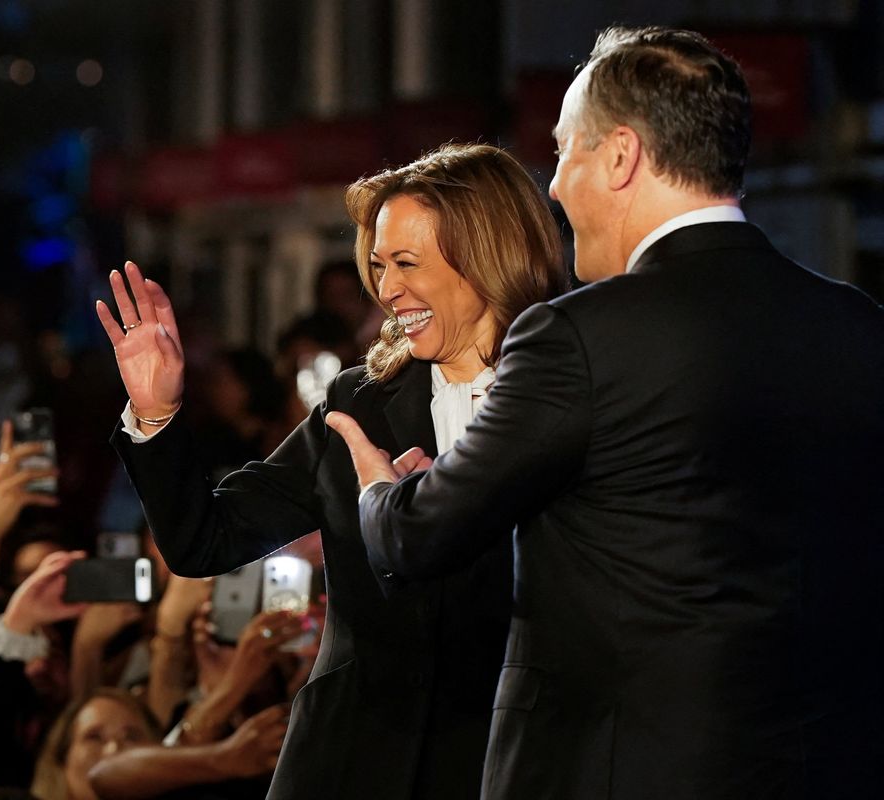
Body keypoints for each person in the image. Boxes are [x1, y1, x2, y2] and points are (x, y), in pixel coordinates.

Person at [328, 26, 884, 800]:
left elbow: (421, 535)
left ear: (620, 156)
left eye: (565, 152)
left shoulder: (577, 336)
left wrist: (378, 492)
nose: (553, 185)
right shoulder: (857, 325)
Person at [95, 141, 566, 799]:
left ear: (489, 257)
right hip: (345, 766)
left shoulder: (578, 399)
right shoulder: (360, 404)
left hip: (504, 767)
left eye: (407, 263)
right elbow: (206, 540)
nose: (387, 289)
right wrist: (157, 414)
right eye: (379, 265)